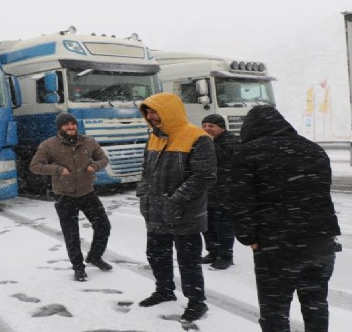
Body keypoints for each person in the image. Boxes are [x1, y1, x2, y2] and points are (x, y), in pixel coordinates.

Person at [229, 105, 341, 332]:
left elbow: (241, 200)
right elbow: (322, 191)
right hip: (321, 240)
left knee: (274, 310)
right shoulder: (313, 149)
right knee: (315, 303)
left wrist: (248, 236)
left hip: (277, 242)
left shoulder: (247, 153)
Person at [136, 93, 217, 322]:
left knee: (188, 261)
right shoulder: (154, 137)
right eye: (148, 112)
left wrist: (175, 200)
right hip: (155, 211)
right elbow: (146, 170)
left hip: (185, 213)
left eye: (154, 111)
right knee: (156, 255)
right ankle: (164, 290)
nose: (150, 117)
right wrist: (144, 192)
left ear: (169, 111)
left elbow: (204, 177)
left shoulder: (197, 137)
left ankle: (196, 302)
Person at [29, 112, 112, 282]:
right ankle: (78, 268)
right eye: (66, 124)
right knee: (71, 235)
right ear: (60, 127)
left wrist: (95, 166)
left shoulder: (89, 141)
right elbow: (35, 166)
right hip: (64, 196)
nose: (71, 127)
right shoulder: (48, 145)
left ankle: (95, 257)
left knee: (103, 226)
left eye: (73, 124)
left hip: (87, 193)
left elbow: (103, 158)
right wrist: (57, 170)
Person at [200, 114, 240, 270]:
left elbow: (224, 160)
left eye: (211, 126)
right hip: (209, 190)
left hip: (225, 191)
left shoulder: (232, 141)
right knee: (208, 224)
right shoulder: (207, 141)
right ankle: (213, 251)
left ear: (221, 127)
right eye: (204, 125)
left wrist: (209, 144)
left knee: (224, 226)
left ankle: (225, 256)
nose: (206, 129)